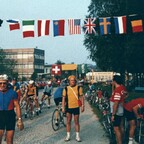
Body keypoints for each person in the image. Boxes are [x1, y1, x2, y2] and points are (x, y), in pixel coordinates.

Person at [0, 74, 24, 144]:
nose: (2, 85)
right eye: (0, 83)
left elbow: (17, 106)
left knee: (9, 141)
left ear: (7, 83)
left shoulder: (13, 93)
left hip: (10, 116)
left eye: (4, 83)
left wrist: (20, 120)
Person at [62, 75, 85, 142]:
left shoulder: (79, 88)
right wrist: (63, 107)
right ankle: (68, 135)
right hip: (69, 107)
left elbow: (81, 97)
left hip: (76, 107)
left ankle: (77, 136)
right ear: (69, 81)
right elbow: (63, 98)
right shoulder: (66, 88)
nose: (73, 81)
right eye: (71, 80)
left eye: (74, 80)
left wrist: (83, 106)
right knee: (68, 121)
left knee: (76, 121)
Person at [110, 75, 127, 144]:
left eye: (112, 81)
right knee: (121, 126)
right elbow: (126, 94)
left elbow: (116, 103)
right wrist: (123, 99)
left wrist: (113, 114)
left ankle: (119, 142)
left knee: (116, 128)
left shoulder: (117, 90)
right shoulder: (122, 88)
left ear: (114, 81)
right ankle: (122, 140)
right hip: (122, 110)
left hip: (117, 111)